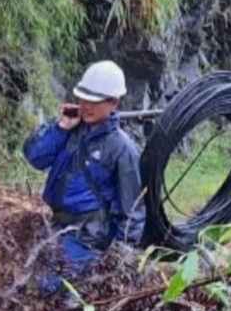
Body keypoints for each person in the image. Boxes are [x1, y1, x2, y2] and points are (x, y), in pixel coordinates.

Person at [23, 60, 145, 295]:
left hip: (87, 238)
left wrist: (121, 259)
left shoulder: (122, 149)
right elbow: (35, 157)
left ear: (113, 102)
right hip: (56, 227)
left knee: (51, 292)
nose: (86, 105)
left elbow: (131, 211)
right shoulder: (70, 130)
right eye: (82, 98)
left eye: (95, 100)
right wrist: (61, 127)